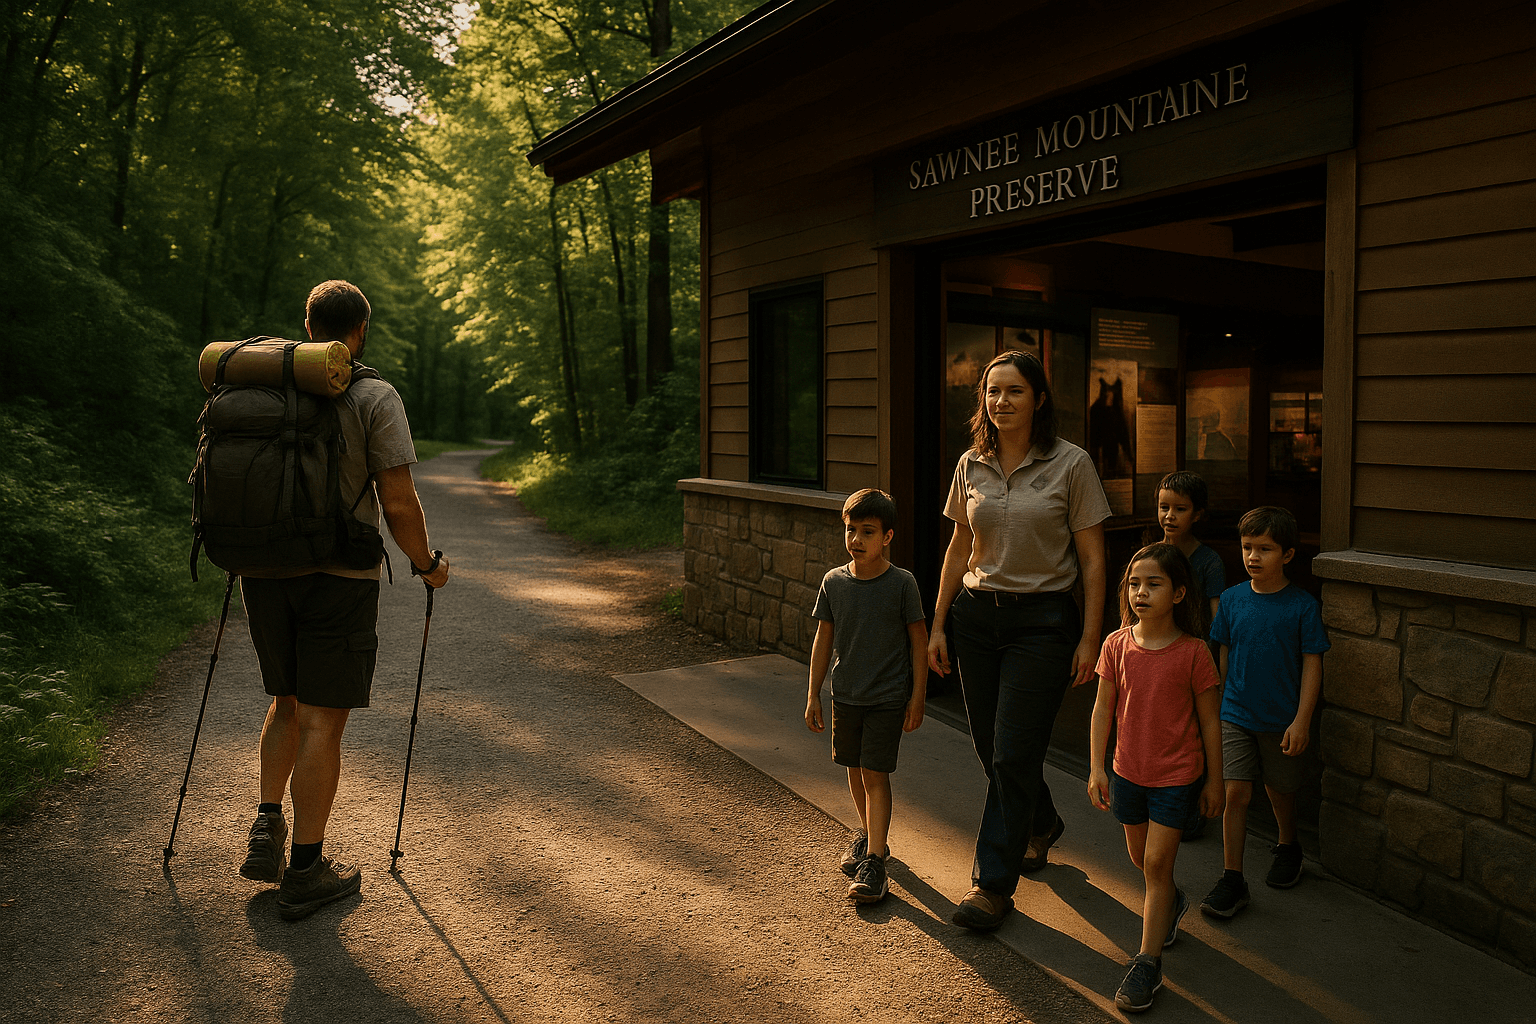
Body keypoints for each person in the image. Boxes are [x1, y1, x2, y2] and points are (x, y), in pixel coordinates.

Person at [237, 280, 450, 921]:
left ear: (308, 328)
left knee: (285, 703)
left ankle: (266, 826)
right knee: (324, 720)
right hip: (340, 578)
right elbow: (399, 502)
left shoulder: (267, 390)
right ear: (359, 330)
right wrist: (427, 564)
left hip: (265, 570)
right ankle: (306, 870)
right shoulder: (374, 396)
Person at [928, 350, 1110, 931]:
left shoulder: (1071, 464)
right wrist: (937, 624)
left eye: (1014, 391)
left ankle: (992, 886)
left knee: (1011, 750)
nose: (1000, 401)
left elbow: (1092, 558)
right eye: (992, 391)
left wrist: (1090, 637)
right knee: (992, 745)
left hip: (1043, 623)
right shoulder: (970, 464)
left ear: (1038, 400)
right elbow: (959, 547)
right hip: (976, 618)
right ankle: (1041, 821)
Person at [1088, 543, 1223, 1013]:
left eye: (1154, 583)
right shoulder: (1116, 645)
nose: (1140, 592)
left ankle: (1147, 963)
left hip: (1176, 777)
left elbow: (1210, 722)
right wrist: (1095, 767)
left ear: (1180, 592)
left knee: (1157, 865)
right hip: (1127, 772)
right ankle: (1170, 902)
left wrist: (1215, 781)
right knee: (1140, 858)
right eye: (1134, 583)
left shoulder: (1194, 653)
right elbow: (1103, 708)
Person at [1200, 506, 1329, 920]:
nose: (1253, 557)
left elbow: (1313, 663)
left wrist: (1302, 719)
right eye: (1247, 547)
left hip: (1281, 719)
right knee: (1235, 794)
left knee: (1281, 791)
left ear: (1288, 555)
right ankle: (1232, 878)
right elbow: (1223, 652)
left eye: (1265, 549)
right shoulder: (1234, 599)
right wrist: (1218, 707)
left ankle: (1288, 844)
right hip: (1235, 714)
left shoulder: (1302, 606)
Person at [805, 489, 929, 904]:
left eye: (868, 531)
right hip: (847, 695)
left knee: (876, 774)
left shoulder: (902, 584)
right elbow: (824, 639)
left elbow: (918, 642)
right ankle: (868, 835)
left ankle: (875, 861)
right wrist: (813, 694)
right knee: (854, 768)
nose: (856, 539)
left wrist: (917, 698)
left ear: (888, 537)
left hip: (887, 697)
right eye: (851, 530)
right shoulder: (833, 582)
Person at [1155, 469, 1224, 842]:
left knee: (1193, 733)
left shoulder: (1208, 561)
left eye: (1179, 509)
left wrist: (1215, 664)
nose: (1169, 516)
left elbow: (1217, 619)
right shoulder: (1152, 555)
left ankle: (1194, 808)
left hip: (1194, 660)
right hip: (1155, 656)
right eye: (1163, 507)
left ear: (1197, 513)